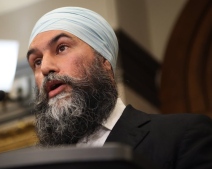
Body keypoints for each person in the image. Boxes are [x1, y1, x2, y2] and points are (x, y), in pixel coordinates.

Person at [26, 7, 212, 169]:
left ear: (104, 60)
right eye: (37, 61)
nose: (45, 68)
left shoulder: (182, 135)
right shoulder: (41, 164)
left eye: (61, 48)